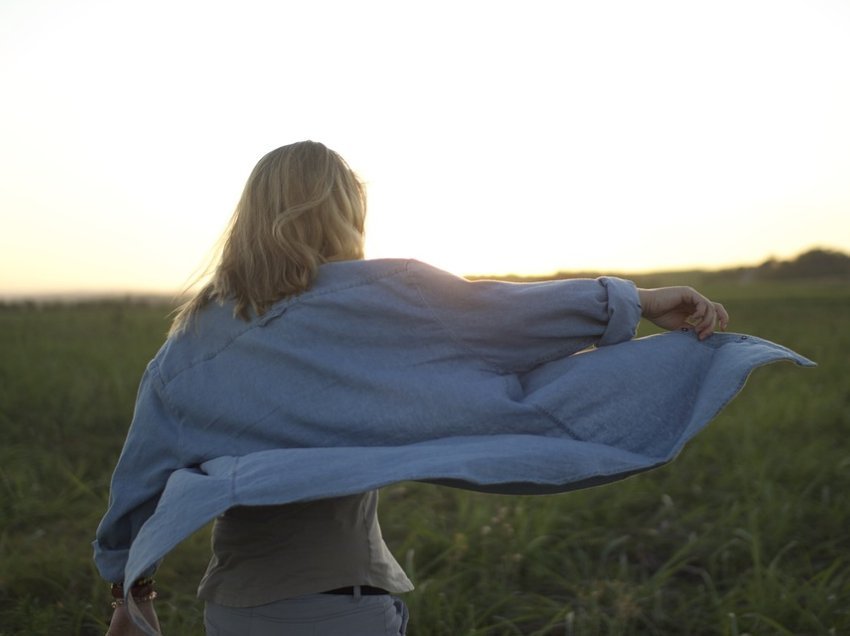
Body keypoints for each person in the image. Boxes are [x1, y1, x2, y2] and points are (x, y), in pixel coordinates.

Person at [94, 141, 813, 636]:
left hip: (236, 611)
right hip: (342, 610)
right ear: (343, 214)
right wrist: (637, 301)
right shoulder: (380, 297)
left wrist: (130, 596)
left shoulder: (185, 349)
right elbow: (502, 313)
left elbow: (136, 490)